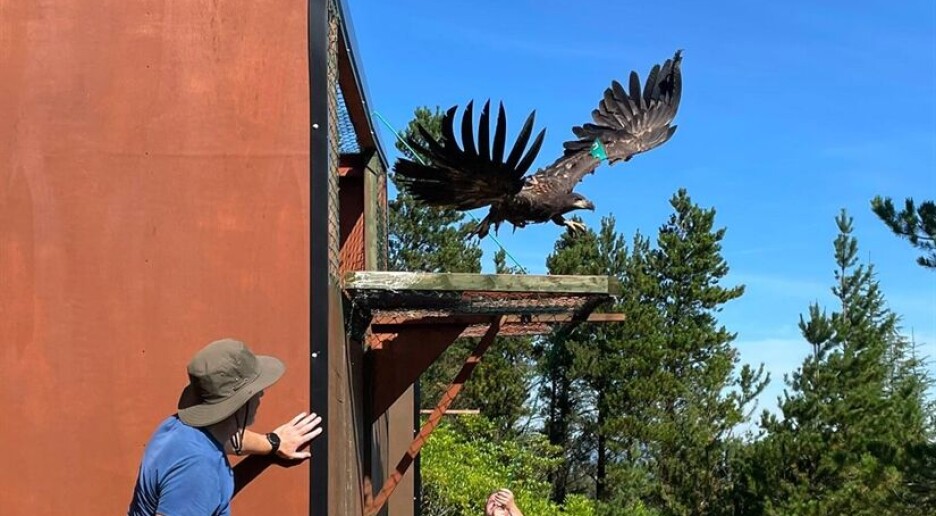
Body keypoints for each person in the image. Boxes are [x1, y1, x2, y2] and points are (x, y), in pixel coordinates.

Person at [128, 338, 323, 515]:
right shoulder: (199, 468)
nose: (261, 395)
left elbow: (226, 439)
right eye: (255, 391)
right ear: (239, 403)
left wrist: (273, 442)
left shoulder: (178, 428)